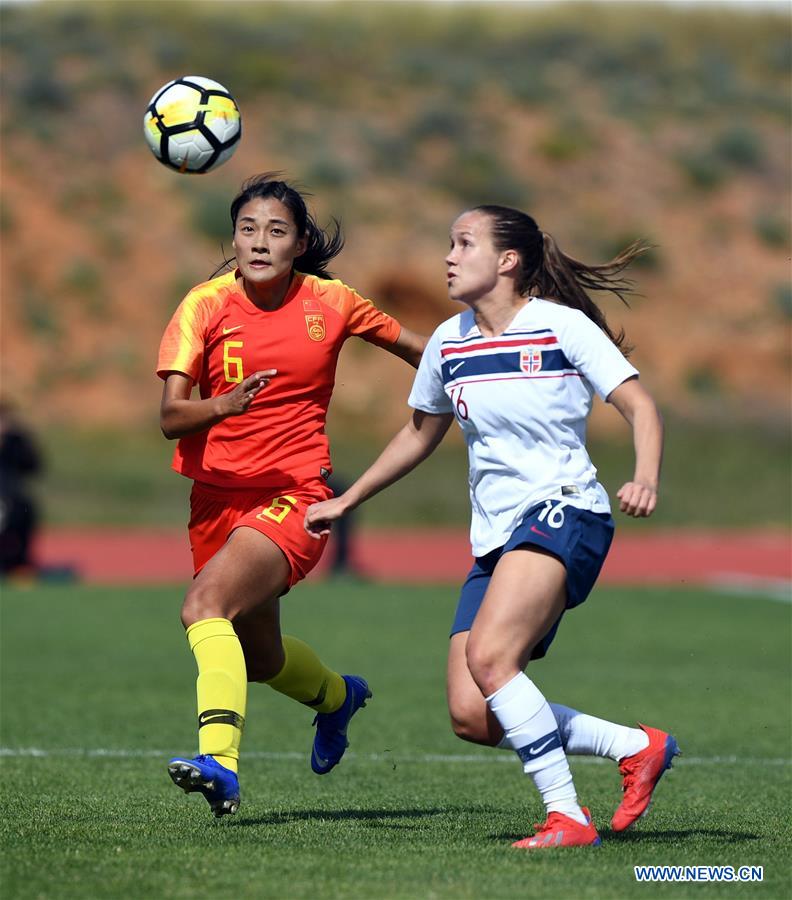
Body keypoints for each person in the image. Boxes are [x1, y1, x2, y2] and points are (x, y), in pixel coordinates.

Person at [305, 204, 679, 849]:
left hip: (565, 510)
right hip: (497, 535)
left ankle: (568, 817)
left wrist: (644, 475)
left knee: (490, 657)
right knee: (473, 715)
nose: (448, 256)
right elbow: (420, 433)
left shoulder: (559, 327)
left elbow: (639, 404)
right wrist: (350, 499)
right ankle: (635, 746)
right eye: (448, 243)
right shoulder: (448, 342)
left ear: (508, 261)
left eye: (464, 243)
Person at [157, 174, 426, 818]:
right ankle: (337, 698)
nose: (259, 242)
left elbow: (420, 350)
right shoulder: (204, 304)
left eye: (276, 231)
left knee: (203, 607)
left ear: (299, 242)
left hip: (295, 494)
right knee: (259, 658)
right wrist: (223, 403)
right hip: (215, 500)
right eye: (247, 229)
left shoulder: (332, 302)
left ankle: (218, 761)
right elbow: (171, 416)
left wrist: (487, 368)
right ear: (233, 238)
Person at [0, 401, 43, 577]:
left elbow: (34, 465)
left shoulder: (16, 440)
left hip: (14, 498)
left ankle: (19, 563)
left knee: (25, 513)